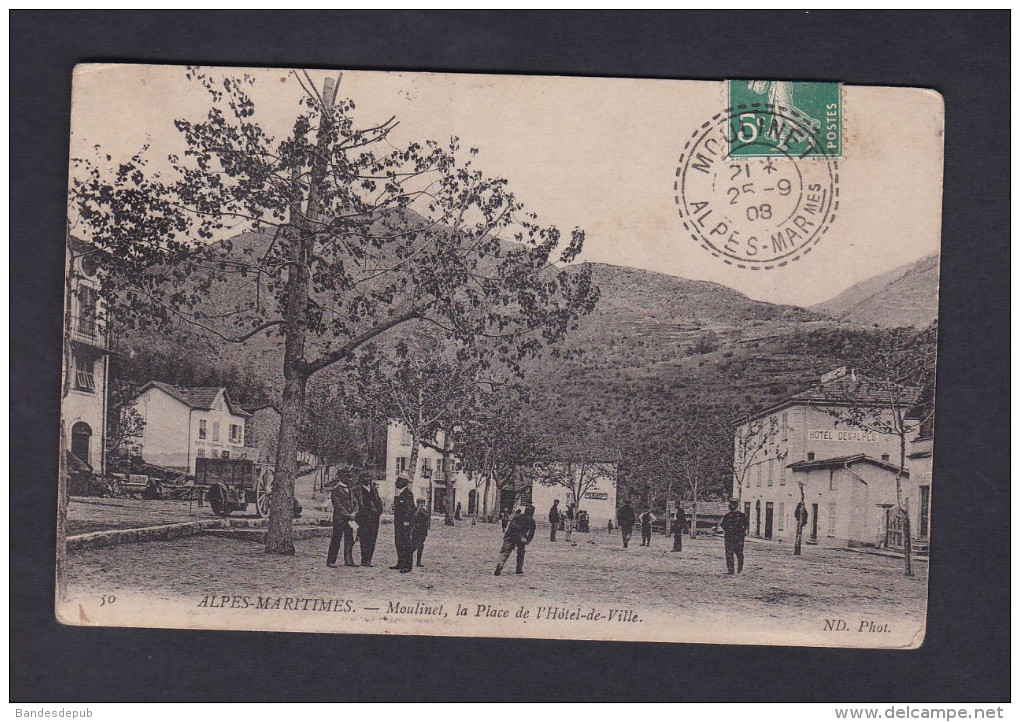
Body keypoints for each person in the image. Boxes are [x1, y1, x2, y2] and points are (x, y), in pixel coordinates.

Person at [326, 473, 360, 568]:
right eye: (348, 478)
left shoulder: (350, 490)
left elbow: (355, 503)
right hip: (340, 519)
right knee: (336, 539)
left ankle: (348, 560)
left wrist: (354, 513)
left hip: (350, 519)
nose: (350, 480)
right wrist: (348, 515)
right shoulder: (336, 490)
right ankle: (331, 561)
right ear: (342, 478)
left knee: (349, 539)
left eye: (350, 478)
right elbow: (338, 505)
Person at [495, 505, 537, 576]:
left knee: (505, 552)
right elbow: (531, 533)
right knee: (521, 553)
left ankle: (500, 564)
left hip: (509, 535)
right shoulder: (531, 521)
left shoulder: (517, 517)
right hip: (519, 538)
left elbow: (512, 527)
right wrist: (526, 540)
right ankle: (519, 569)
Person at [355, 471, 383, 567]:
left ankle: (369, 559)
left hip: (374, 517)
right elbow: (356, 503)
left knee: (372, 538)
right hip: (363, 517)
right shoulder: (357, 490)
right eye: (364, 478)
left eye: (368, 477)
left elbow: (378, 500)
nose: (366, 479)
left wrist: (379, 511)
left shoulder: (374, 489)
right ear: (361, 479)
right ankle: (364, 559)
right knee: (363, 538)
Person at [391, 472, 416, 573]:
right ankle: (400, 562)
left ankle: (407, 565)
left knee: (406, 543)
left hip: (404, 523)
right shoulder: (400, 493)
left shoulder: (408, 493)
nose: (396, 482)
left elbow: (411, 508)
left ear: (404, 482)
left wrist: (406, 520)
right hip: (399, 522)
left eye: (398, 480)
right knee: (399, 542)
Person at [720, 499, 750, 574]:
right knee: (729, 553)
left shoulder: (742, 516)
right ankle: (730, 570)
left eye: (732, 504)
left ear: (736, 505)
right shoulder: (727, 516)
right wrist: (727, 530)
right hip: (729, 537)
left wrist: (742, 532)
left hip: (738, 537)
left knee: (739, 553)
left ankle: (740, 568)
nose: (731, 506)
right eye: (730, 504)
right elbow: (723, 524)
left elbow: (746, 525)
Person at [411, 499, 431, 567]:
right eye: (420, 503)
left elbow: (427, 518)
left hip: (423, 531)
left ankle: (418, 561)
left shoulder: (424, 511)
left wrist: (422, 511)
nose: (421, 505)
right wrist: (417, 511)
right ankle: (407, 559)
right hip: (416, 530)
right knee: (414, 546)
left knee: (421, 546)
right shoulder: (414, 510)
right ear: (417, 504)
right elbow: (413, 518)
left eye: (422, 503)